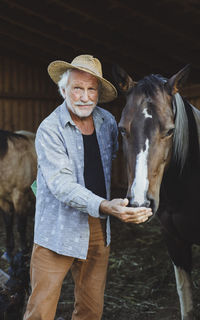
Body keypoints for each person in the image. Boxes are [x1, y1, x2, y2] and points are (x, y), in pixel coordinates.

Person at [23, 54, 152, 320]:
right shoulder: (50, 129)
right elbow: (61, 185)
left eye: (91, 89)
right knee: (41, 310)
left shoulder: (106, 122)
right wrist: (107, 205)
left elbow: (130, 153)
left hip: (97, 230)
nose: (84, 96)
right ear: (63, 90)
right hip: (56, 230)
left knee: (91, 310)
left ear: (98, 93)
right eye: (77, 88)